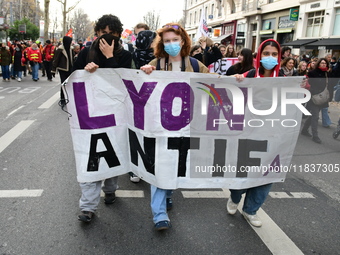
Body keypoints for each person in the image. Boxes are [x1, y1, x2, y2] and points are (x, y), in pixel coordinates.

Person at [141, 22, 209, 231]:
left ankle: (169, 193)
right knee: (160, 167)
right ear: (162, 43)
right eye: (167, 41)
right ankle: (159, 214)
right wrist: (144, 73)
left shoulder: (197, 66)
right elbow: (139, 92)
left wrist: (238, 80)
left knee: (177, 165)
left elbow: (217, 86)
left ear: (183, 41)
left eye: (175, 40)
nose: (171, 44)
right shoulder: (155, 64)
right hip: (160, 128)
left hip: (186, 128)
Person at [72, 14, 132, 223]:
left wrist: (109, 59)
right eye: (102, 33)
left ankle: (111, 189)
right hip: (89, 118)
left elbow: (125, 85)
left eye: (110, 33)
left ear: (118, 35)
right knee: (91, 160)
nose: (105, 37)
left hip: (115, 118)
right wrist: (85, 71)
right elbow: (72, 81)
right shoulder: (86, 54)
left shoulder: (125, 56)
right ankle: (88, 207)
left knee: (111, 155)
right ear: (96, 34)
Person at [228, 39, 283, 227]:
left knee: (266, 175)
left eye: (274, 54)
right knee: (241, 172)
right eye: (266, 53)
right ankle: (235, 197)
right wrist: (236, 81)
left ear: (279, 56)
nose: (270, 57)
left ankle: (250, 210)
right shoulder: (250, 74)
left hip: (273, 135)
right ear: (259, 55)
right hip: (247, 133)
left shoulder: (285, 79)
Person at [301, 58, 334, 143]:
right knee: (315, 116)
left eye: (325, 63)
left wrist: (329, 97)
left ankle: (304, 130)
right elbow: (308, 85)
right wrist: (313, 92)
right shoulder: (313, 73)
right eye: (322, 63)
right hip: (314, 97)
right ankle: (315, 135)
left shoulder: (327, 74)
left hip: (323, 98)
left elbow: (330, 86)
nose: (323, 64)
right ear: (318, 64)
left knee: (313, 115)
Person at [52, 36, 75, 107]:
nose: (71, 43)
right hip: (62, 69)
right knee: (63, 84)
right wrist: (53, 70)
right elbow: (56, 60)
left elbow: (73, 59)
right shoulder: (60, 49)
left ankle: (69, 98)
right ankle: (62, 99)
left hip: (70, 69)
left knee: (69, 84)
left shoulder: (71, 49)